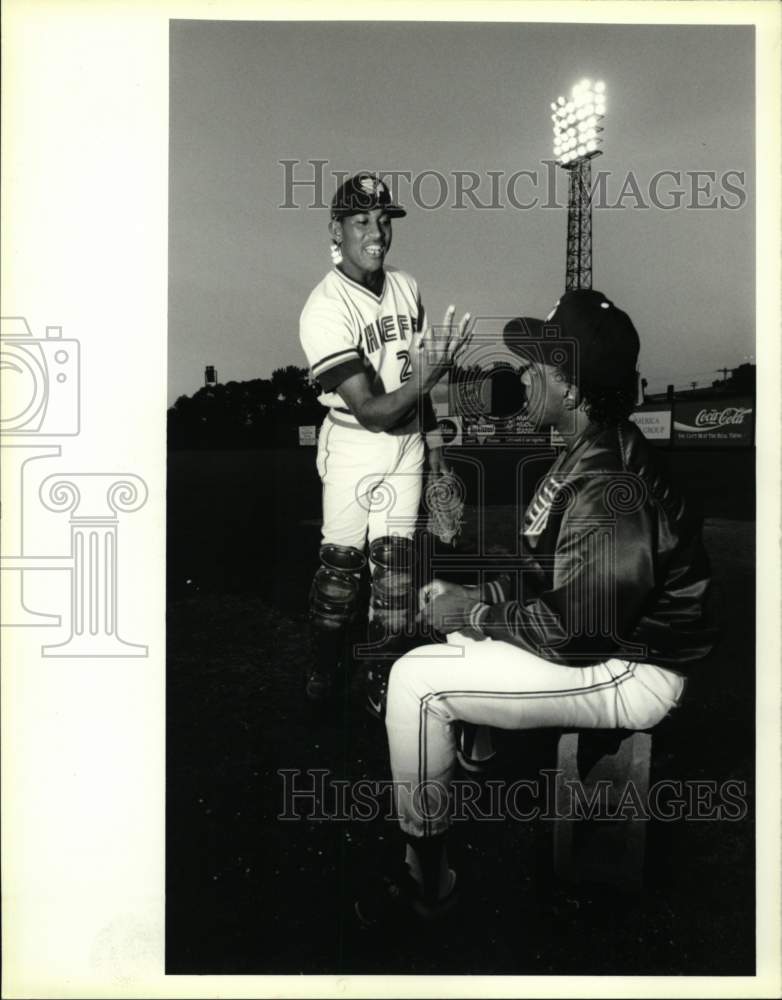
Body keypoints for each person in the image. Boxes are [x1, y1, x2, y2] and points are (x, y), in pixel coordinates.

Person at [354, 289, 717, 925]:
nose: (522, 374)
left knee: (417, 682)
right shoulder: (585, 451)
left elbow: (577, 631)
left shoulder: (609, 483)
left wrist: (474, 611)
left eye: (537, 364)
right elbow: (553, 582)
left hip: (642, 668)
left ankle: (427, 881)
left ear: (573, 389)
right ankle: (479, 759)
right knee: (456, 642)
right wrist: (479, 601)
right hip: (614, 641)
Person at [299, 171, 469, 708]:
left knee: (395, 572)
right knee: (341, 576)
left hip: (409, 445)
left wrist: (437, 457)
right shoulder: (324, 308)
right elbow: (371, 412)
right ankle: (324, 667)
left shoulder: (406, 286)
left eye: (382, 220)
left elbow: (416, 390)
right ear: (336, 229)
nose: (376, 232)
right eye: (360, 220)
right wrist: (433, 373)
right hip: (354, 444)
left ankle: (380, 674)